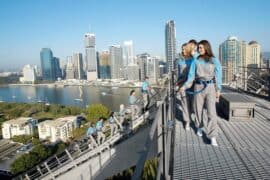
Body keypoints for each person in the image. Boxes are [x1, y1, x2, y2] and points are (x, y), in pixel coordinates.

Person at [180, 40, 222, 146]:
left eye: (201, 48)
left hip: (210, 87)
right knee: (198, 110)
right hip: (198, 86)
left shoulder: (214, 60)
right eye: (198, 48)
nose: (199, 50)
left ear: (207, 48)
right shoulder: (196, 61)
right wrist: (184, 87)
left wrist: (218, 89)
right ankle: (199, 126)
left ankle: (212, 136)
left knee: (211, 112)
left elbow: (218, 75)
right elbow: (191, 77)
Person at [177, 43, 194, 131]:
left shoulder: (194, 59)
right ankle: (187, 121)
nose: (183, 51)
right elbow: (179, 74)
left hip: (193, 84)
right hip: (183, 84)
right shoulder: (180, 60)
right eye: (182, 49)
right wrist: (178, 83)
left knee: (192, 104)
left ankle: (191, 117)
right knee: (184, 103)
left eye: (184, 49)